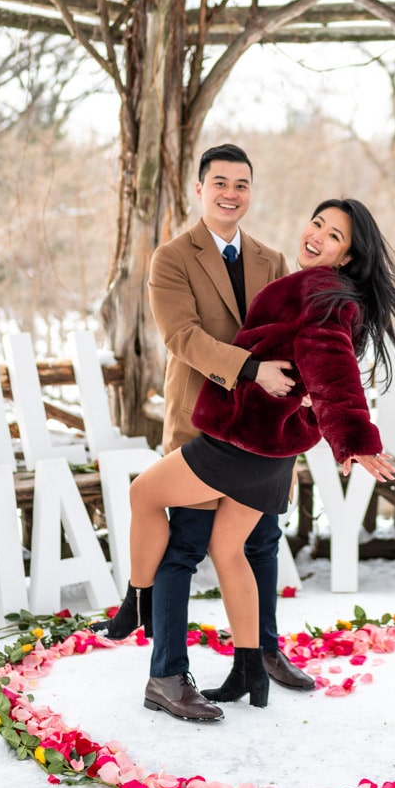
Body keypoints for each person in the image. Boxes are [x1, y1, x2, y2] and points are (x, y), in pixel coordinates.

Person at [106, 193, 395, 714]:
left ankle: (136, 601)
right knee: (228, 552)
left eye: (333, 235)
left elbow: (331, 369)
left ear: (346, 256)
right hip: (273, 447)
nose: (316, 235)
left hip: (241, 441)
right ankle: (251, 669)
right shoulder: (324, 289)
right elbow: (317, 374)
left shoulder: (318, 290)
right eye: (316, 223)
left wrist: (356, 436)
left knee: (143, 494)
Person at [102, 143, 308, 724]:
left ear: (251, 191)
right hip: (203, 427)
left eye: (242, 184)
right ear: (199, 188)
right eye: (220, 182)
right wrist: (251, 369)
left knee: (261, 544)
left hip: (268, 432)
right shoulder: (172, 258)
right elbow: (182, 337)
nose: (231, 193)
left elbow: (294, 337)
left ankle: (260, 654)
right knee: (186, 547)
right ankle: (166, 675)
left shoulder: (270, 259)